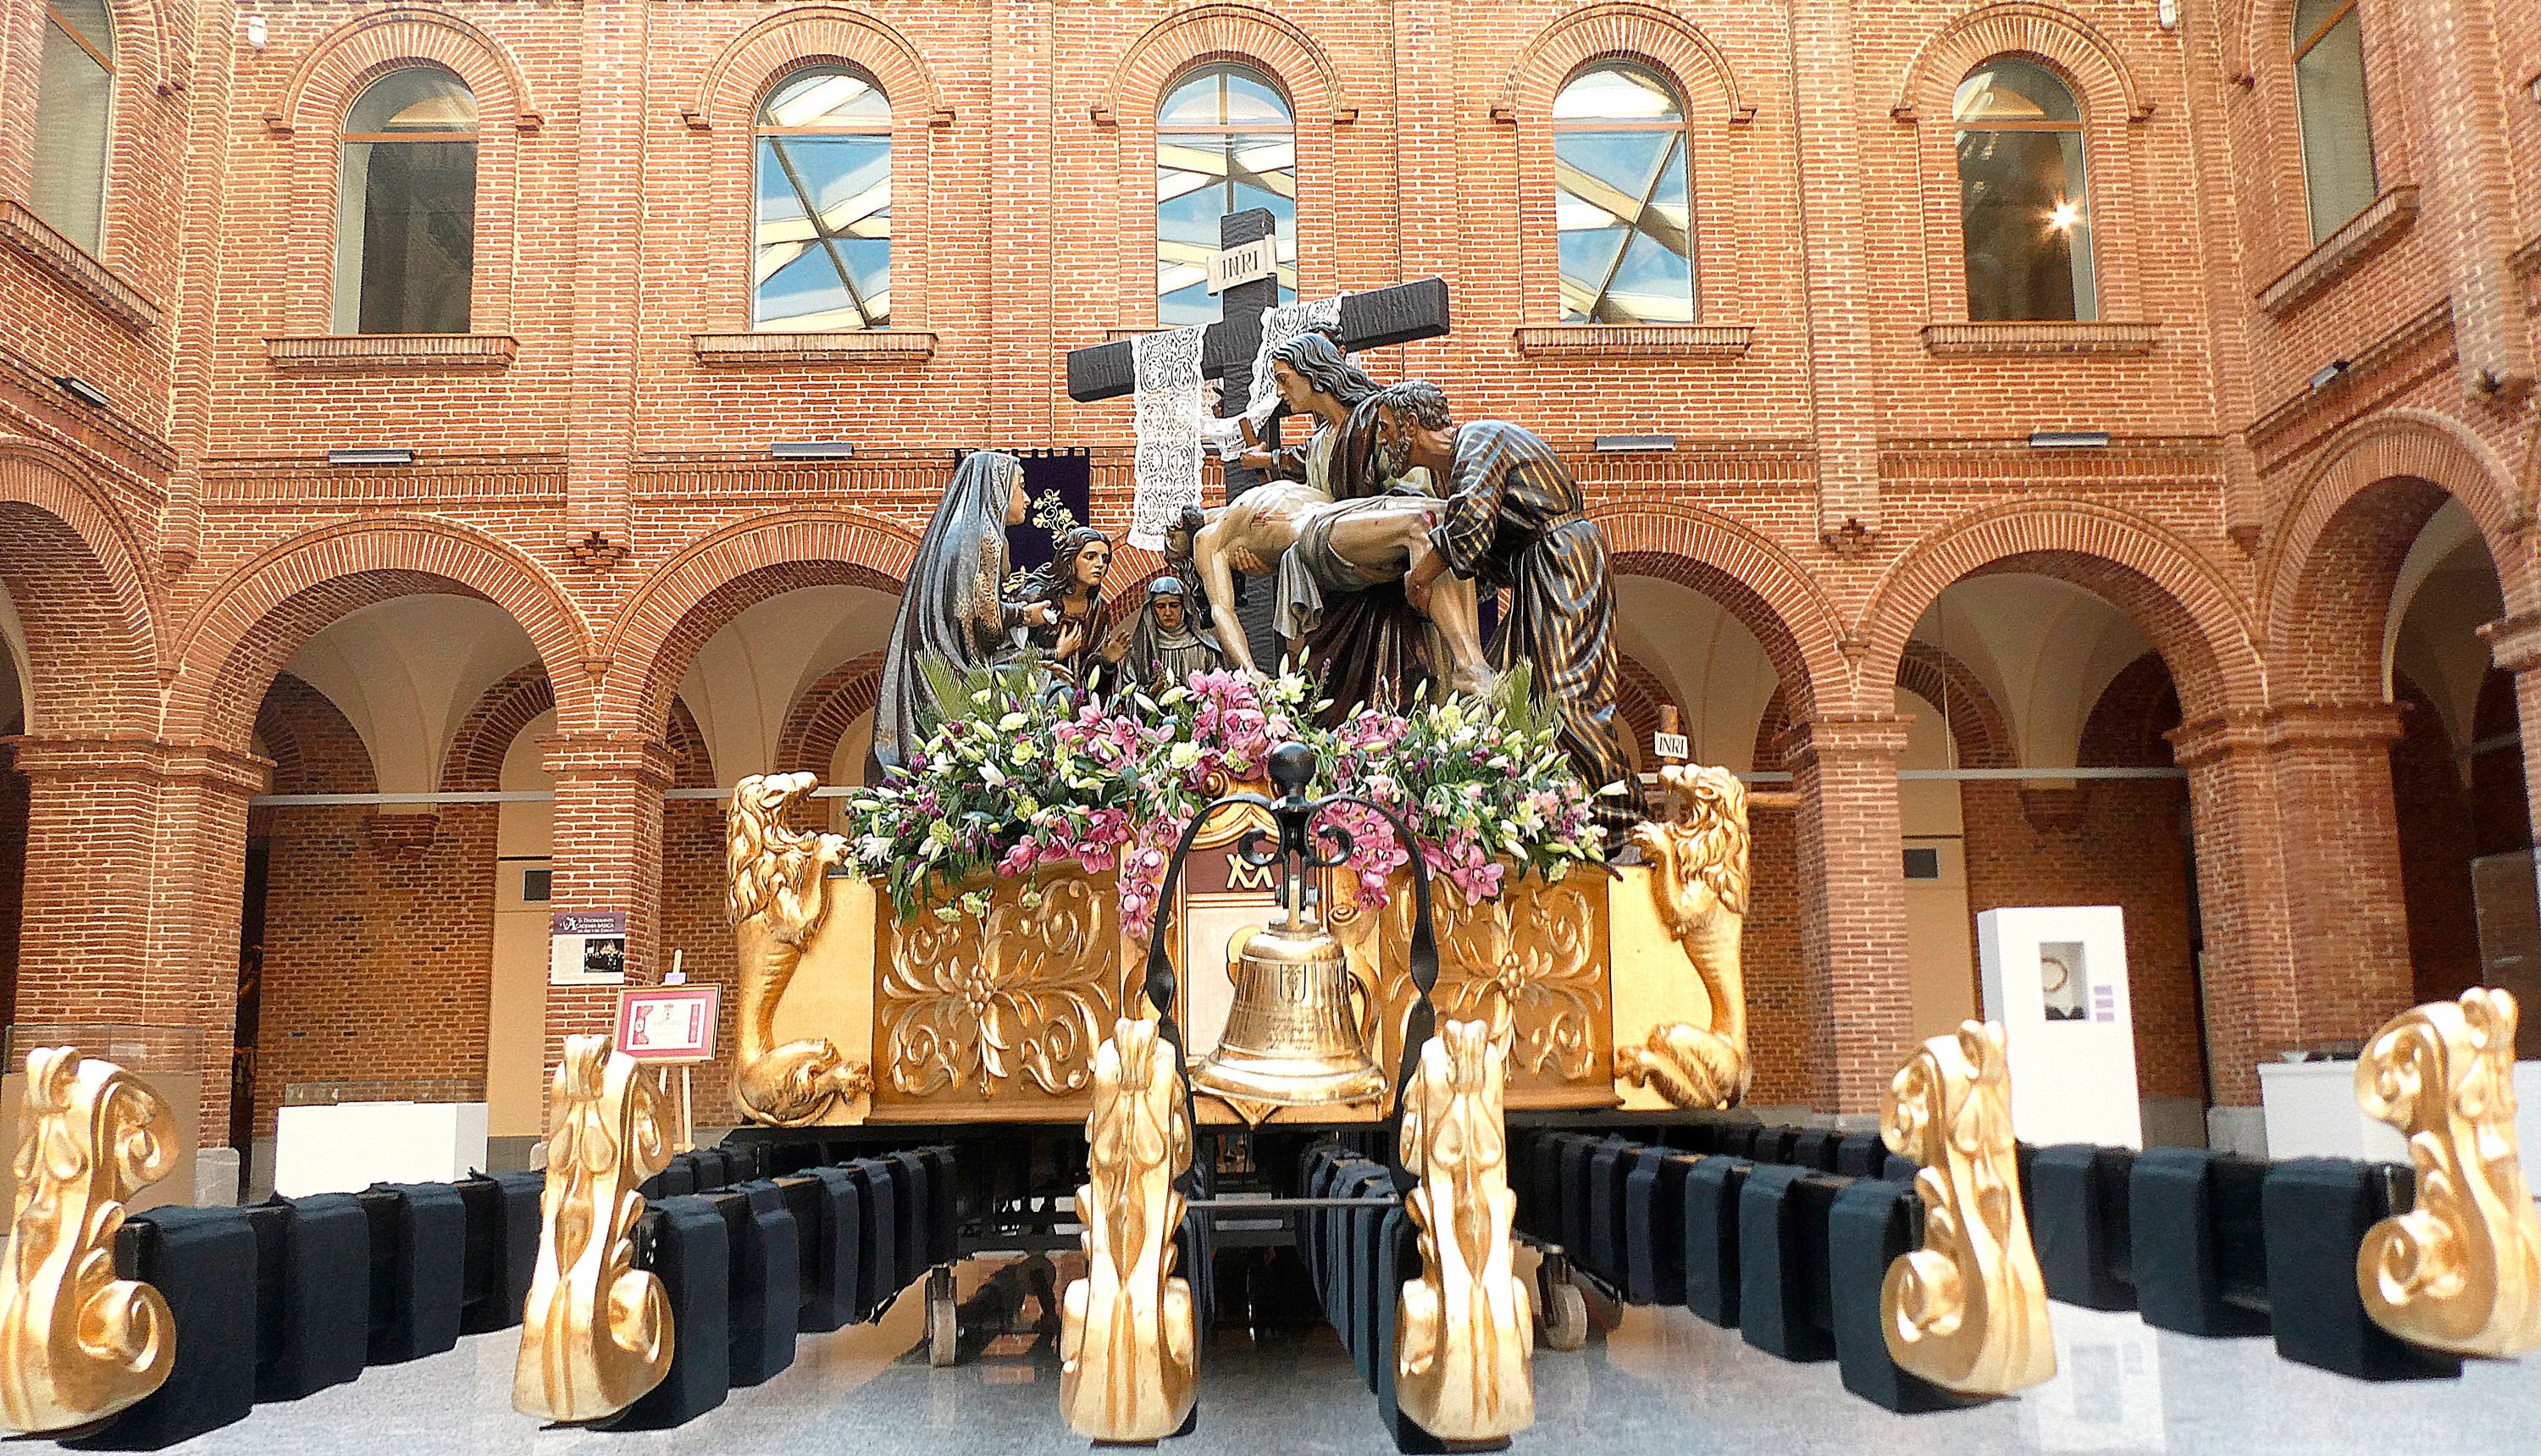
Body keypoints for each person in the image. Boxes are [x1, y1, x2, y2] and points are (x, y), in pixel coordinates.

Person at [1384, 380, 1650, 839]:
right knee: (1518, 693)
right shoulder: (1456, 465)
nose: (1384, 442)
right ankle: (1557, 809)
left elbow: (1467, 528)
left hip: (1564, 562)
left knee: (1563, 693)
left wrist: (1418, 578)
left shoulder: (1477, 443)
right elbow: (1480, 553)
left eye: (1388, 430)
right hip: (1539, 569)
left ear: (1412, 425)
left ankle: (1620, 821)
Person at [868, 451, 1058, 777]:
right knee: (1048, 691)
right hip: (954, 670)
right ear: (997, 487)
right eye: (1020, 486)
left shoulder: (957, 534)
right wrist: (1026, 616)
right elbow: (985, 622)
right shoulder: (983, 538)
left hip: (941, 658)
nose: (1027, 499)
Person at [1015, 525, 1113, 686]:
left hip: (1077, 696)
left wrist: (1106, 661)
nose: (1100, 564)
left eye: (1105, 559)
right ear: (1070, 559)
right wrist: (1056, 654)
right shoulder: (1038, 597)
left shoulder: (1098, 608)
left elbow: (1089, 667)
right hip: (1031, 692)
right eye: (1090, 557)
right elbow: (1009, 654)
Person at [1106, 576, 1223, 695]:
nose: (1168, 612)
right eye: (1161, 606)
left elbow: (1219, 690)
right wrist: (1152, 691)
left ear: (1184, 607)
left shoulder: (1205, 648)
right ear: (1152, 610)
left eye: (1174, 605)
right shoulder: (1139, 651)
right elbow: (1126, 694)